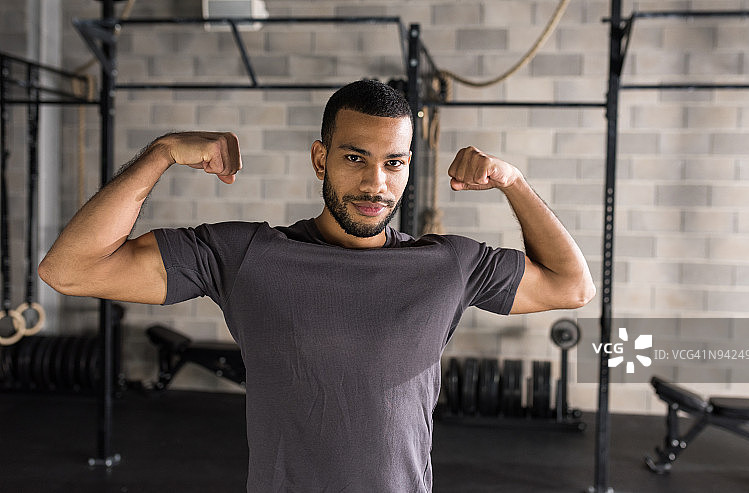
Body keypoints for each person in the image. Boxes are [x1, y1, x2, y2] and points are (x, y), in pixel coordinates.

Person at [39, 79, 594, 492]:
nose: (375, 183)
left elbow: (572, 287)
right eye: (355, 158)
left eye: (394, 163)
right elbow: (70, 269)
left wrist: (513, 182)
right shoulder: (246, 255)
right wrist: (161, 154)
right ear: (320, 158)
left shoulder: (446, 265)